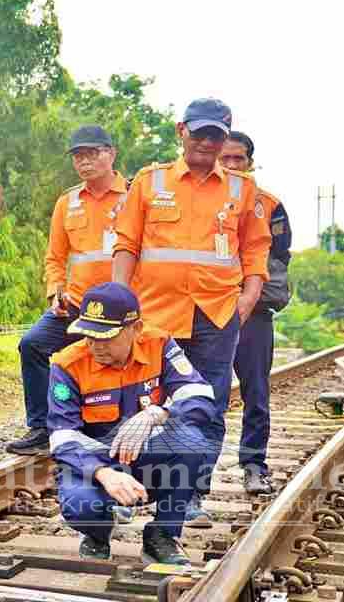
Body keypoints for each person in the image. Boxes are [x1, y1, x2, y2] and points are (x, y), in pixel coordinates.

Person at [112, 98, 271, 527]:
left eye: (215, 135)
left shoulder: (241, 189)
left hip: (217, 315)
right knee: (143, 400)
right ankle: (132, 486)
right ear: (181, 130)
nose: (205, 142)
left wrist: (248, 297)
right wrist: (119, 298)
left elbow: (256, 249)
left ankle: (191, 494)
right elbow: (126, 244)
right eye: (198, 133)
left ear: (225, 137)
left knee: (206, 405)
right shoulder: (150, 181)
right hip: (154, 314)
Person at [49, 282, 213, 564]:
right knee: (80, 505)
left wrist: (157, 414)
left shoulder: (159, 345)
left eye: (106, 337)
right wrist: (104, 473)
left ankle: (162, 536)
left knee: (193, 441)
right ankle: (97, 533)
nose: (95, 346)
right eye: (88, 336)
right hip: (94, 462)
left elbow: (200, 397)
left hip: (146, 456)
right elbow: (63, 436)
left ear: (135, 329)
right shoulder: (67, 364)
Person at [5, 125, 129, 454]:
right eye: (78, 156)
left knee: (118, 363)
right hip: (75, 305)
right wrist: (55, 289)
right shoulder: (67, 202)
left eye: (92, 153)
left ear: (111, 153)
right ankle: (42, 427)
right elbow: (55, 256)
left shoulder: (133, 197)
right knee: (32, 345)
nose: (85, 161)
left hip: (121, 310)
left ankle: (116, 428)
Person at [219, 131, 292, 494]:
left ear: (250, 162)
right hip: (206, 310)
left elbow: (278, 255)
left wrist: (252, 293)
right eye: (225, 158)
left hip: (255, 311)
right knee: (199, 392)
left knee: (256, 391)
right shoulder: (199, 198)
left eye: (238, 159)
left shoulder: (269, 204)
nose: (231, 165)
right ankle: (193, 475)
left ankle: (253, 465)